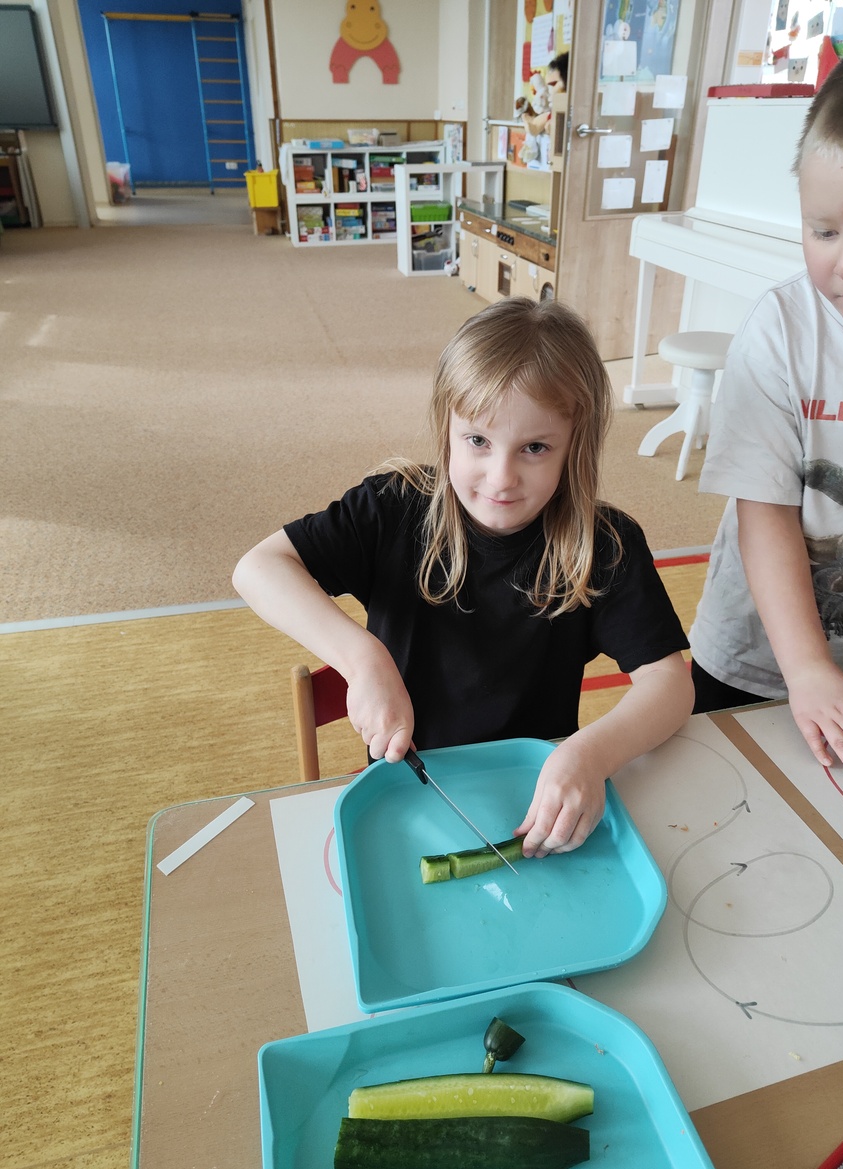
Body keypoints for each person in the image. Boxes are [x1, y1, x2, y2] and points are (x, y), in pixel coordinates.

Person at [233, 297, 693, 857]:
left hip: (532, 803)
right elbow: (257, 568)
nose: (501, 478)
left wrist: (590, 754)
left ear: (575, 447)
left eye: (535, 448)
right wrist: (364, 661)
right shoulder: (392, 506)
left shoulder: (605, 544)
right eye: (478, 441)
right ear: (446, 428)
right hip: (405, 796)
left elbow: (670, 685)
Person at [689, 23, 843, 786]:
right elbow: (766, 512)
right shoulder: (782, 328)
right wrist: (807, 667)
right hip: (758, 658)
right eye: (822, 230)